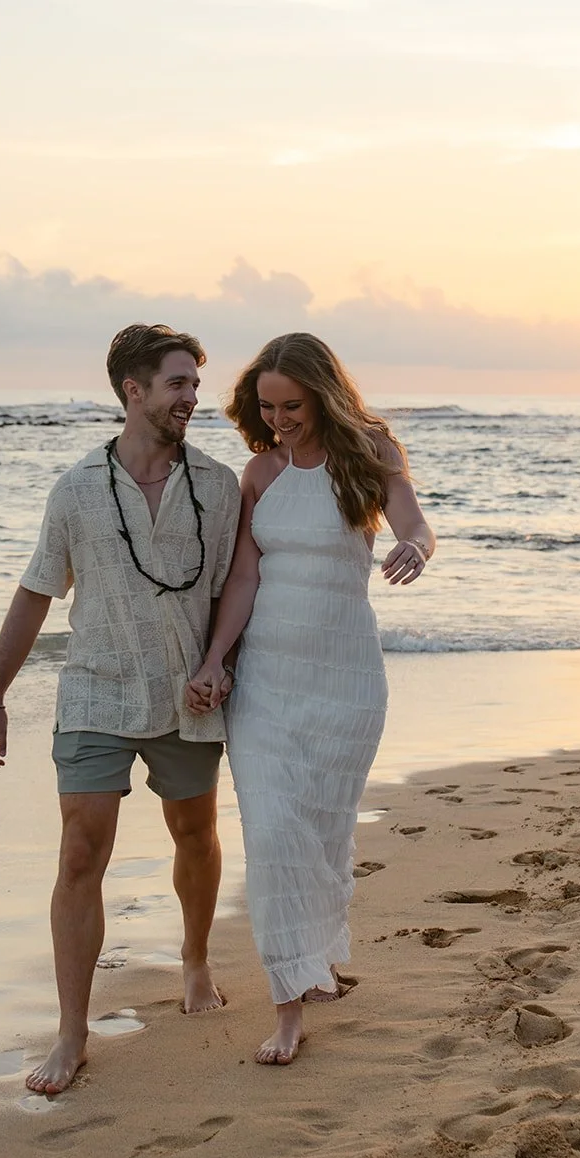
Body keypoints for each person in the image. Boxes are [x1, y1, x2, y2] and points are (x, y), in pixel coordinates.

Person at [0, 323, 241, 1095]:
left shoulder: (218, 487)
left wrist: (217, 666)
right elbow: (34, 592)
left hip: (187, 695)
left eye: (194, 383)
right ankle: (71, 1032)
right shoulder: (77, 490)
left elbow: (233, 593)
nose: (193, 398)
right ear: (134, 391)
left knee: (194, 834)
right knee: (79, 854)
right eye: (178, 384)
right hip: (94, 689)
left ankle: (194, 959)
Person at [187, 332, 434, 1066]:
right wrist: (212, 660)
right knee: (273, 836)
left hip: (345, 679)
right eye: (266, 406)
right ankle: (287, 1006)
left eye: (290, 405)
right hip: (266, 682)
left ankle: (316, 960)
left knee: (321, 837)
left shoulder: (369, 455)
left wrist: (416, 546)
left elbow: (413, 521)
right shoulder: (259, 473)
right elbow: (242, 580)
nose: (279, 419)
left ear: (322, 394)